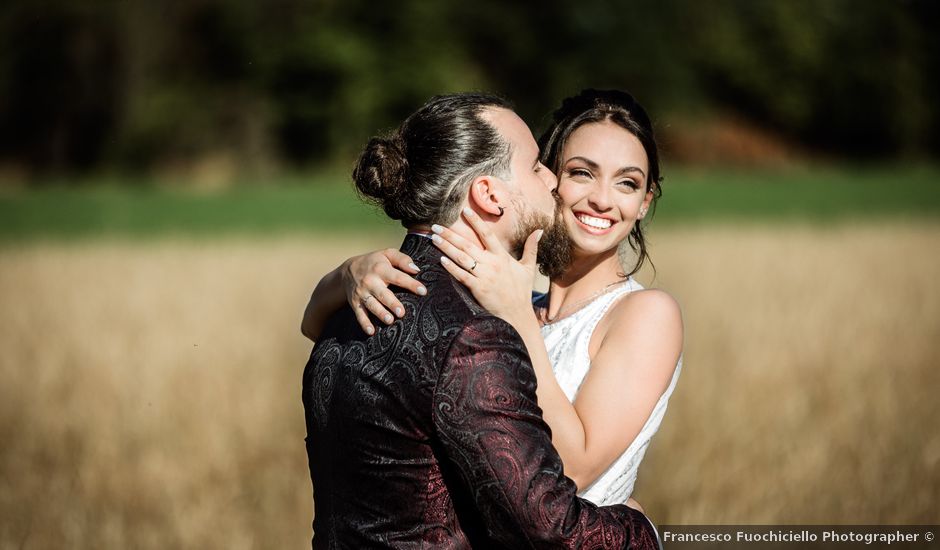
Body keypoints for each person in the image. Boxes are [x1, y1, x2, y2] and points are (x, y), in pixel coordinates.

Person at [302, 92, 659, 548]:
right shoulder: (476, 335)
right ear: (490, 194)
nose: (551, 179)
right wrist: (640, 531)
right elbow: (549, 527)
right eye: (536, 166)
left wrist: (341, 277)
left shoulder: (353, 306)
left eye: (626, 183)